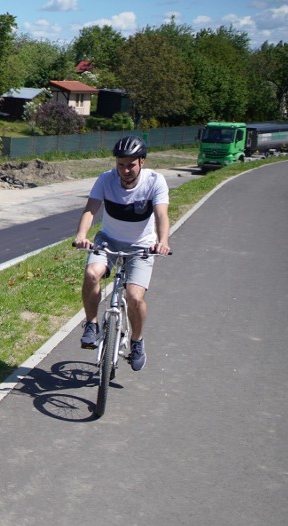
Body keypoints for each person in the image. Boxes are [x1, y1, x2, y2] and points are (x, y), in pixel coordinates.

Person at [72, 135, 171, 371]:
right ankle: (91, 324)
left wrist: (163, 241)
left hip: (141, 246)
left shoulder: (155, 181)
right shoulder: (106, 180)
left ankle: (137, 341)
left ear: (142, 163)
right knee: (92, 273)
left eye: (131, 165)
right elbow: (90, 210)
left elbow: (161, 215)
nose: (125, 170)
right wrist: (81, 235)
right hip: (108, 240)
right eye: (121, 164)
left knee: (135, 296)